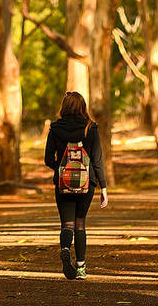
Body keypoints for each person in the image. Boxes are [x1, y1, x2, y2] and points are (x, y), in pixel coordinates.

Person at [44, 91, 108, 280]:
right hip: (87, 183)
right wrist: (103, 187)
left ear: (64, 107)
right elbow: (97, 161)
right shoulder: (91, 128)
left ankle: (65, 248)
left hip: (63, 183)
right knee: (80, 222)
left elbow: (48, 159)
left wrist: (61, 169)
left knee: (67, 223)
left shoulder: (55, 128)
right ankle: (80, 267)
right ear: (82, 107)